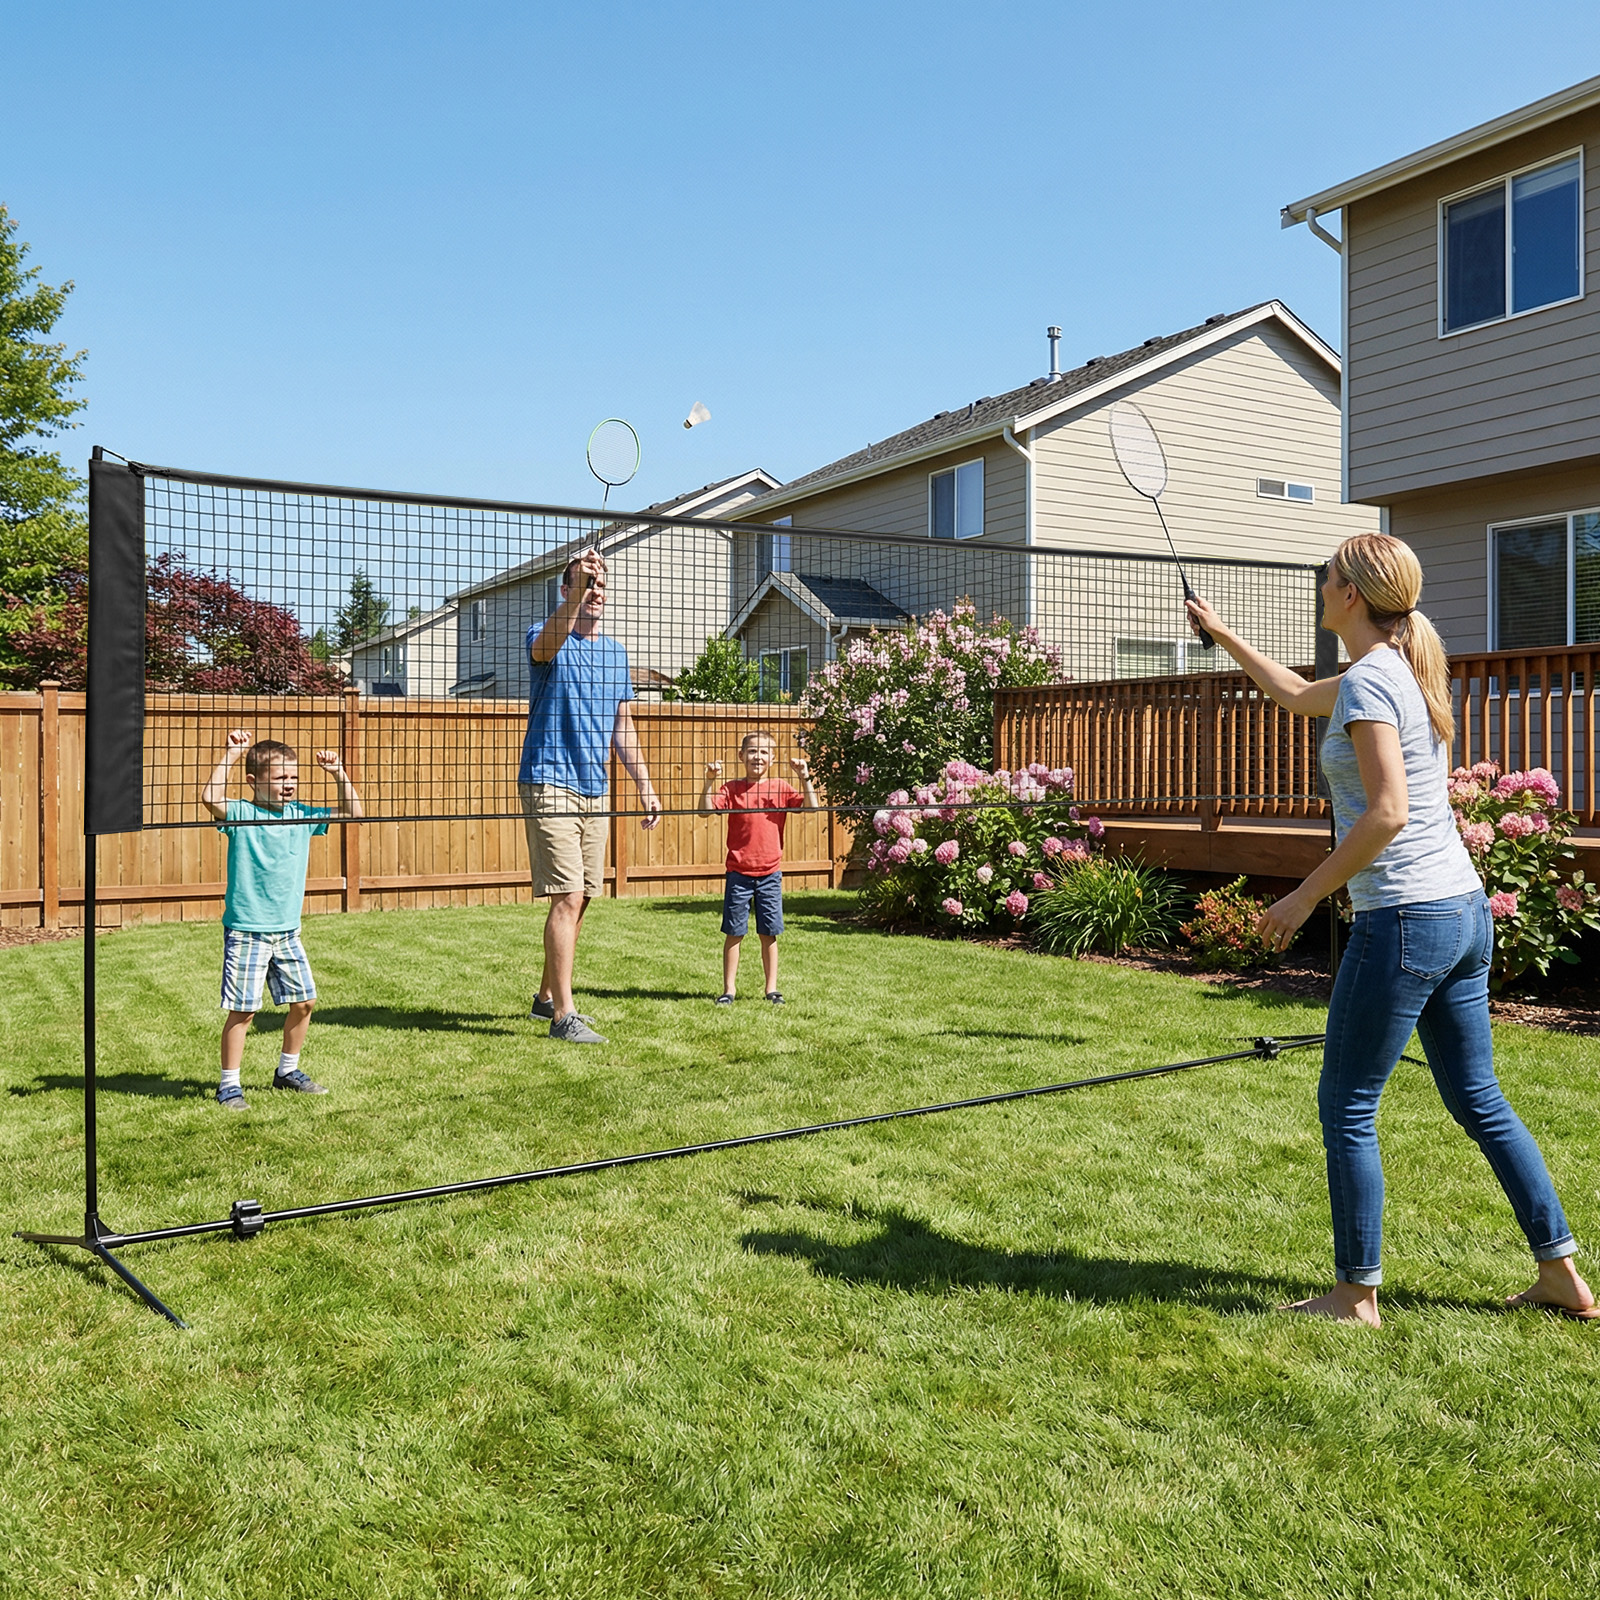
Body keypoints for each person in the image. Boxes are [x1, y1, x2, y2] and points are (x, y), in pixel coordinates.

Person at [1187, 532, 1594, 1326]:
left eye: (1328, 574)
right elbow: (1293, 696)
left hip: (1406, 918)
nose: (1321, 581)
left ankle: (1355, 1295)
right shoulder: (1389, 672)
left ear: (1350, 596)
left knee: (1347, 1105)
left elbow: (1386, 814)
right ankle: (1562, 1275)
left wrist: (1302, 897)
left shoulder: (1374, 683)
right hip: (1460, 912)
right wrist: (1224, 632)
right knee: (1481, 1101)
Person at [522, 548, 660, 1044]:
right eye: (584, 588)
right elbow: (544, 648)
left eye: (601, 589)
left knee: (583, 902)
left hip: (595, 788)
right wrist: (578, 583)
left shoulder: (616, 654)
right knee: (568, 896)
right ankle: (564, 1017)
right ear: (567, 591)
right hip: (549, 779)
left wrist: (645, 785)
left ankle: (543, 1000)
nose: (595, 596)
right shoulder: (547, 636)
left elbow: (623, 726)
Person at [200, 730, 363, 1110]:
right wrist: (234, 753)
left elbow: (356, 814)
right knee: (244, 1010)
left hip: (288, 931)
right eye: (279, 778)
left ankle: (286, 1072)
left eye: (293, 777)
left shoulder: (302, 815)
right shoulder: (241, 812)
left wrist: (338, 772)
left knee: (304, 1003)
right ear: (254, 781)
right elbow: (209, 798)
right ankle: (229, 1085)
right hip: (247, 930)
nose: (288, 784)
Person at [699, 730, 819, 1005]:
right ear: (741, 756)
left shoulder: (781, 787)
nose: (758, 756)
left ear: (773, 758)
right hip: (738, 873)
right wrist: (708, 782)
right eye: (752, 751)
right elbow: (705, 811)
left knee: (769, 933)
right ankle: (729, 990)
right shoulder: (730, 788)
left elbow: (811, 809)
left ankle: (771, 989)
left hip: (770, 874)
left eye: (764, 752)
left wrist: (805, 778)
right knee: (734, 932)